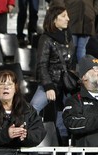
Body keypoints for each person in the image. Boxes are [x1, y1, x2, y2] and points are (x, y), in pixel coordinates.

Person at [29, 5, 75, 145]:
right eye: (63, 16)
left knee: (62, 120)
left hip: (66, 86)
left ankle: (64, 150)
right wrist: (48, 86)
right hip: (51, 83)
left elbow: (71, 62)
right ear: (54, 20)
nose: (67, 18)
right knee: (32, 109)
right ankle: (29, 137)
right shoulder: (46, 38)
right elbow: (42, 65)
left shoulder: (68, 36)